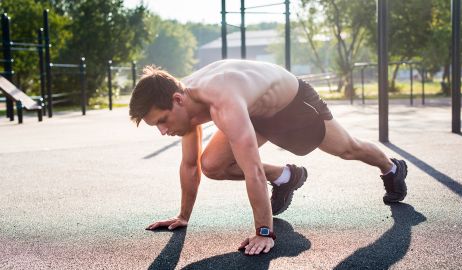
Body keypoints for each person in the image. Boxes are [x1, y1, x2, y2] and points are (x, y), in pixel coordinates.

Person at [129, 59, 408, 256]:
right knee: (212, 165)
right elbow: (191, 166)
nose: (163, 130)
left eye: (163, 121)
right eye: (157, 126)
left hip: (292, 105)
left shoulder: (221, 99)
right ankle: (288, 177)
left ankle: (391, 168)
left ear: (178, 100)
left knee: (349, 148)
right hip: (254, 111)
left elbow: (253, 171)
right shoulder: (184, 104)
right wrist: (183, 216)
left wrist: (264, 232)